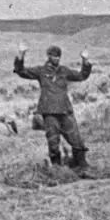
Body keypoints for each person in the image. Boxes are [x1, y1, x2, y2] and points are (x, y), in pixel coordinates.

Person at [14, 43, 92, 172]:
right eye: (54, 56)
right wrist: (21, 53)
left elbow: (82, 76)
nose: (57, 59)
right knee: (53, 142)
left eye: (59, 57)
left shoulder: (64, 71)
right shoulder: (41, 71)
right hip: (49, 112)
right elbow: (21, 71)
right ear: (48, 56)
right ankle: (57, 170)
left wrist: (85, 60)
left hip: (65, 110)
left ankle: (81, 166)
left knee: (76, 140)